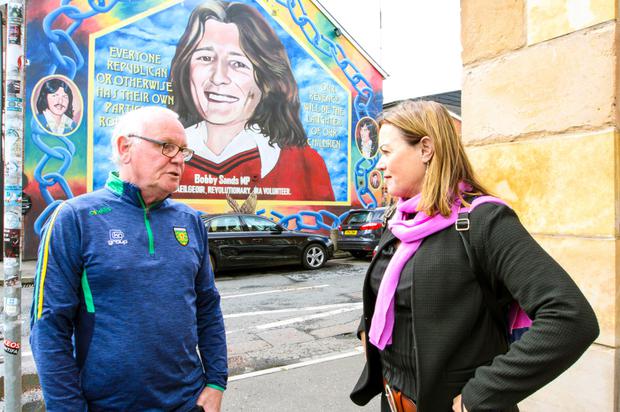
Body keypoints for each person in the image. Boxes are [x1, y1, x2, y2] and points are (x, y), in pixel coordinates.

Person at [350, 100, 599, 411]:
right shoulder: (401, 220)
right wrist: (367, 327)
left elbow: (571, 318)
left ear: (426, 149)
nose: (379, 165)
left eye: (386, 152)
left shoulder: (484, 221)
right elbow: (390, 283)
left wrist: (480, 395)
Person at [30, 106, 227, 411]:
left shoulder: (190, 221)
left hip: (189, 402)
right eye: (166, 146)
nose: (178, 159)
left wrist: (216, 382)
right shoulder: (75, 218)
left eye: (183, 151)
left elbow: (207, 306)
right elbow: (49, 327)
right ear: (125, 148)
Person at [169, 0, 334, 201]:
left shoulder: (305, 165)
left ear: (264, 79)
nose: (218, 77)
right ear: (186, 68)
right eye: (205, 58)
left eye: (238, 63)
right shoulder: (163, 158)